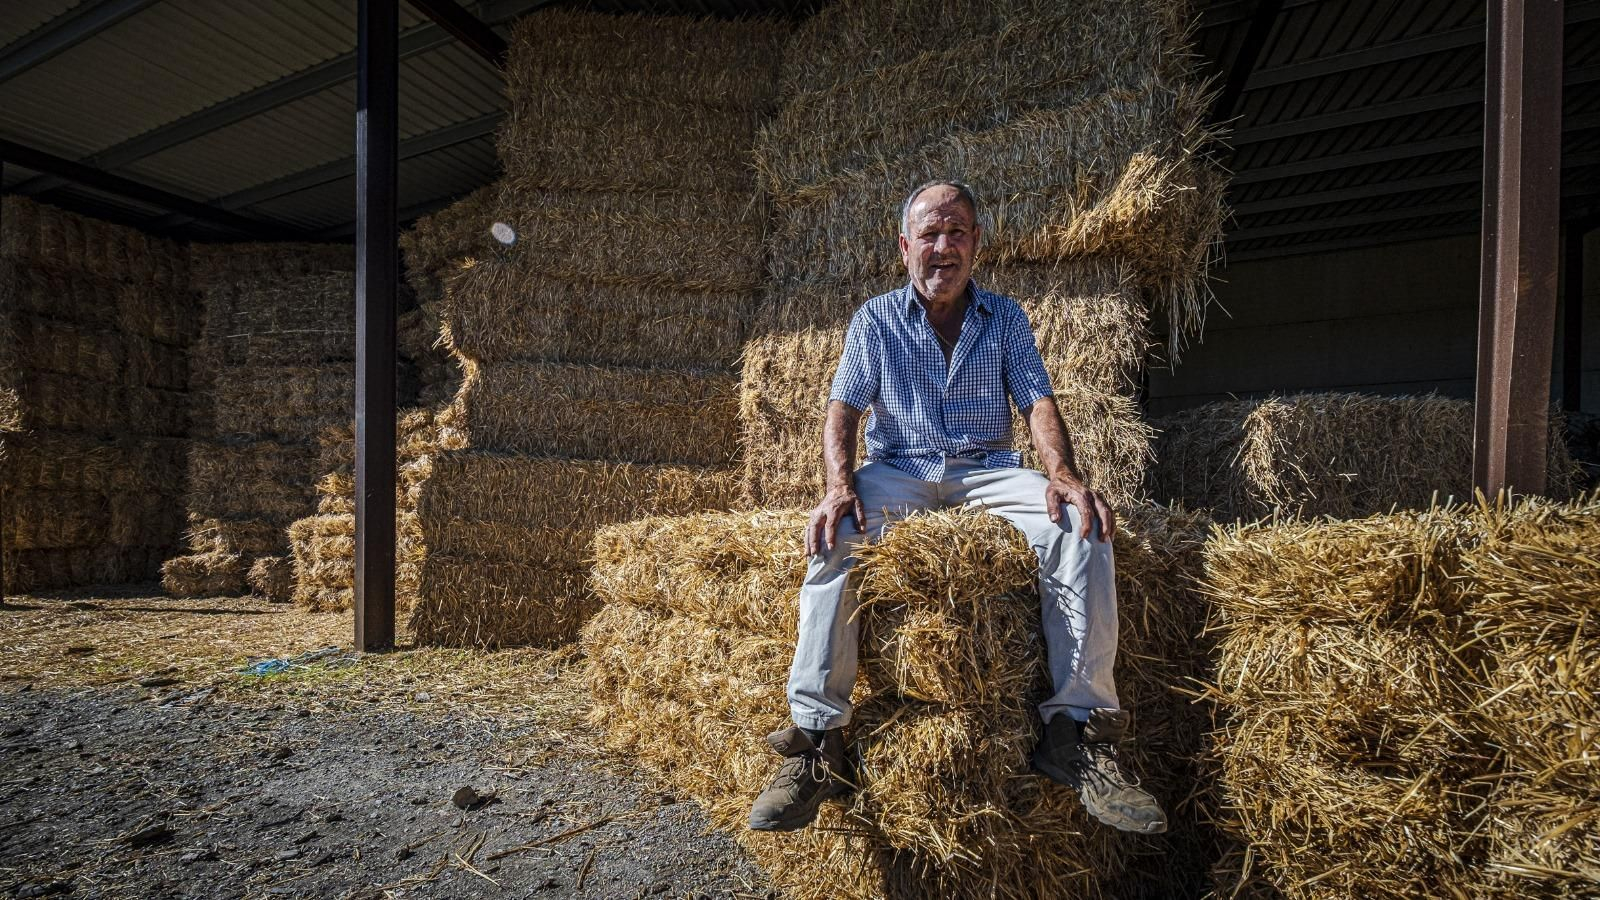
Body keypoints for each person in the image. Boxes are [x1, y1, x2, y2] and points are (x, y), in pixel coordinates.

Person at [746, 180, 1166, 836]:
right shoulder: (874, 319)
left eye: (958, 232)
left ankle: (1076, 733)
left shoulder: (1005, 318)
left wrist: (1063, 475)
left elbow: (1037, 403)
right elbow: (843, 408)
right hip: (899, 472)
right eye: (931, 234)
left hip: (985, 472)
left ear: (976, 244)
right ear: (904, 245)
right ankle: (818, 744)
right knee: (835, 535)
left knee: (1081, 528)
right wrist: (837, 487)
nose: (944, 247)